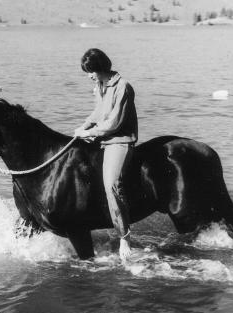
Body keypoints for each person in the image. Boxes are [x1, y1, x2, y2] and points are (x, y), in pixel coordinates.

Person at [74, 48, 138, 261]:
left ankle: (124, 236)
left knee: (112, 184)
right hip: (102, 137)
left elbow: (113, 122)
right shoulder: (99, 85)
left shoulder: (123, 87)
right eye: (87, 72)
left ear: (101, 67)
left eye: (91, 71)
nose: (89, 75)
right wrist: (82, 126)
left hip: (119, 141)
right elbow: (99, 113)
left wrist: (89, 132)